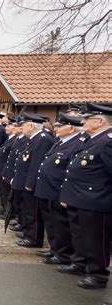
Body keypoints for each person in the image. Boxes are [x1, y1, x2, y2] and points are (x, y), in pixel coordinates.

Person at [59, 103, 112, 289]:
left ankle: (98, 274)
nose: (82, 121)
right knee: (80, 236)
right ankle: (80, 263)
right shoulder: (92, 140)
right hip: (79, 198)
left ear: (99, 121)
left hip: (96, 201)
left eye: (87, 119)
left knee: (96, 239)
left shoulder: (107, 141)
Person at [34, 112, 85, 265]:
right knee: (51, 224)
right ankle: (54, 249)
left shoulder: (77, 143)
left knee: (61, 225)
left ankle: (63, 254)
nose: (56, 128)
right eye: (56, 126)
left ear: (71, 129)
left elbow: (70, 170)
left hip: (58, 191)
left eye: (59, 126)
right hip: (48, 189)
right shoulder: (60, 141)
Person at [12, 113, 55, 248]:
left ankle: (34, 238)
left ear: (31, 125)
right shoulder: (33, 138)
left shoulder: (42, 139)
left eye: (23, 125)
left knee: (33, 212)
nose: (21, 128)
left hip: (31, 183)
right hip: (24, 180)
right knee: (27, 210)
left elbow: (36, 165)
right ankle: (28, 233)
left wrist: (30, 183)